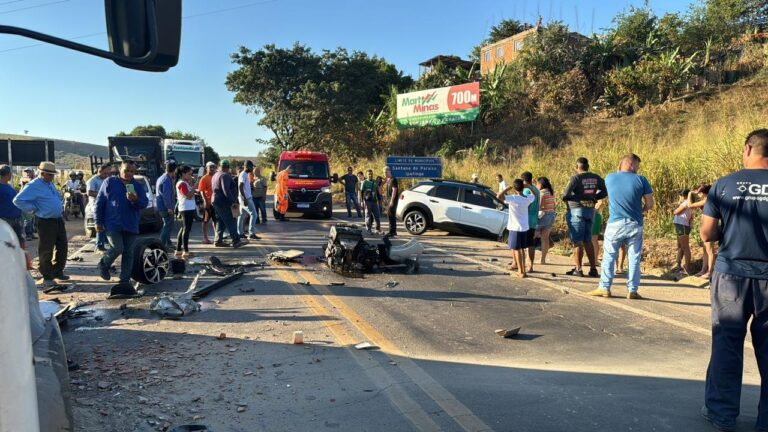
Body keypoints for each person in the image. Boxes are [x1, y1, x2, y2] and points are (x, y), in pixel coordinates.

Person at [700, 129, 768, 432]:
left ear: (748, 148)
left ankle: (722, 414)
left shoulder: (724, 185)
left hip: (731, 275)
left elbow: (707, 233)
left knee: (727, 341)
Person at [589, 153, 653, 299]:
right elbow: (650, 204)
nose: (638, 168)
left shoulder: (610, 178)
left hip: (615, 223)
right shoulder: (641, 180)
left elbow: (600, 196)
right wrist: (640, 211)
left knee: (609, 255)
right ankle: (632, 290)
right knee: (634, 257)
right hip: (635, 223)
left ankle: (604, 287)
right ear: (631, 164)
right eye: (637, 165)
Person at [13, 161, 68, 288]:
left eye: (53, 175)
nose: (52, 177)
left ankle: (57, 271)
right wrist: (33, 209)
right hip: (45, 221)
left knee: (62, 246)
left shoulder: (49, 184)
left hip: (57, 219)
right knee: (46, 249)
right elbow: (18, 200)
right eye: (49, 175)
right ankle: (47, 276)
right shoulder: (34, 185)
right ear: (42, 173)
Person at [95, 161, 148, 288]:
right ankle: (104, 264)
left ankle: (124, 280)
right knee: (117, 248)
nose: (129, 173)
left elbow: (144, 203)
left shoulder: (137, 185)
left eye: (132, 171)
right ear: (120, 170)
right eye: (126, 170)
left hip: (130, 223)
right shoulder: (109, 182)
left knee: (128, 252)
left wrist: (136, 200)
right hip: (113, 223)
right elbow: (100, 202)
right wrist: (98, 221)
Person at [562, 157, 607, 277]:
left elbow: (565, 195)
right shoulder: (596, 178)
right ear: (588, 167)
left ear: (577, 167)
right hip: (590, 211)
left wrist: (578, 197)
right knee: (588, 240)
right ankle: (593, 269)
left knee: (577, 242)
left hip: (576, 210)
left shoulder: (575, 178)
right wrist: (593, 197)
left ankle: (579, 269)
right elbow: (605, 191)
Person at [498, 179, 535, 278]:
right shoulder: (527, 198)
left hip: (515, 227)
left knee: (516, 249)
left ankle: (521, 271)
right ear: (523, 188)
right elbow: (535, 195)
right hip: (524, 227)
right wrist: (529, 187)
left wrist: (507, 188)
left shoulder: (513, 198)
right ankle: (523, 271)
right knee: (522, 249)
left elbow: (499, 196)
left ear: (514, 189)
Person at [212, 160, 246, 248]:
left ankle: (218, 241)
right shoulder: (225, 175)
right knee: (231, 221)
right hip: (224, 202)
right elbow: (226, 190)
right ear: (227, 167)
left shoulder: (216, 174)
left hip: (216, 201)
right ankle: (236, 241)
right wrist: (233, 201)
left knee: (221, 221)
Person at [689, 184, 715, 278]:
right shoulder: (705, 200)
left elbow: (690, 205)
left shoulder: (707, 200)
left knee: (710, 250)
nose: (697, 193)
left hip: (709, 226)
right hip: (704, 225)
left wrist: (689, 194)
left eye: (699, 192)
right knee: (705, 249)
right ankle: (703, 270)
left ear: (703, 193)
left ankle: (710, 271)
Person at [86, 164, 112, 251]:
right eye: (105, 173)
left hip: (106, 205)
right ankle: (99, 245)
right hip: (97, 206)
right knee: (100, 225)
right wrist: (102, 195)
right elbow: (89, 192)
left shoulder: (107, 180)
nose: (107, 175)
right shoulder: (92, 181)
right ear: (99, 171)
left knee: (106, 224)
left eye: (108, 173)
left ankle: (105, 242)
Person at [175, 165, 197, 259]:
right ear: (183, 174)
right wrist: (195, 186)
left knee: (183, 228)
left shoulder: (185, 182)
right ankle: (185, 250)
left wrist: (192, 183)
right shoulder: (182, 183)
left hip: (187, 207)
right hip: (186, 208)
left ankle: (179, 249)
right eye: (189, 174)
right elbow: (188, 195)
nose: (190, 175)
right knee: (186, 229)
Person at [521, 172, 541, 273]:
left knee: (521, 244)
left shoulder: (526, 191)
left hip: (525, 220)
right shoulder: (536, 190)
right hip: (534, 220)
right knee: (531, 244)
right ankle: (531, 266)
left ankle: (522, 265)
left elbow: (524, 204)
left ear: (523, 180)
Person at [0, 165, 24, 248]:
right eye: (11, 173)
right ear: (7, 174)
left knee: (19, 242)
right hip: (6, 221)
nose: (11, 175)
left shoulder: (9, 186)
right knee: (9, 245)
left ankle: (22, 259)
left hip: (16, 219)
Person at [155, 160, 177, 249]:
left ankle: (168, 243)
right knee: (168, 225)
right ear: (174, 169)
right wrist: (169, 207)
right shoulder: (166, 180)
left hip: (161, 206)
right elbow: (166, 195)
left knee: (167, 224)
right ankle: (161, 245)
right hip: (165, 207)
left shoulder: (162, 178)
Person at [672, 189, 693, 274]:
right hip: (681, 225)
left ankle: (687, 268)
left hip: (682, 226)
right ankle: (678, 264)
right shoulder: (687, 203)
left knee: (685, 247)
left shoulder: (685, 203)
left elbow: (676, 212)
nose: (679, 198)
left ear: (683, 196)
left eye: (680, 196)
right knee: (680, 246)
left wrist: (677, 206)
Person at [535, 177, 556, 264]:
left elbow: (540, 206)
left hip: (543, 216)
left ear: (541, 184)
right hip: (551, 215)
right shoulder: (551, 192)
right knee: (545, 238)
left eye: (537, 184)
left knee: (533, 235)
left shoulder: (542, 193)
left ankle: (528, 258)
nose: (536, 186)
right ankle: (543, 260)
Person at [237, 160, 260, 240]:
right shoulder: (243, 174)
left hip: (244, 198)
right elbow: (240, 186)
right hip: (246, 198)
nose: (252, 168)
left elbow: (244, 187)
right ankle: (251, 233)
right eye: (251, 166)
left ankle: (240, 233)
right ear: (247, 166)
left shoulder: (245, 174)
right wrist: (244, 199)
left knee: (241, 216)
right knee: (254, 214)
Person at [197, 162, 217, 245]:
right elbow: (201, 191)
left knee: (216, 220)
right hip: (208, 203)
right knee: (205, 221)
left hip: (215, 203)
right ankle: (205, 238)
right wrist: (205, 201)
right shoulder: (204, 178)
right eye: (210, 167)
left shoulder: (216, 177)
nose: (212, 169)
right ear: (206, 168)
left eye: (213, 167)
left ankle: (217, 237)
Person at [20, 167, 37, 241]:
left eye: (29, 172)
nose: (27, 173)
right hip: (27, 202)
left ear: (32, 172)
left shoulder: (35, 180)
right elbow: (22, 191)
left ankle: (32, 233)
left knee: (32, 219)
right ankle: (28, 235)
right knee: (28, 219)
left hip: (34, 202)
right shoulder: (25, 181)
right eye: (27, 172)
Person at [383, 166, 399, 236]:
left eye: (386, 172)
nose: (385, 174)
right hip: (389, 199)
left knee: (391, 215)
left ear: (389, 171)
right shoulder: (388, 180)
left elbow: (394, 190)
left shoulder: (393, 179)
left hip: (393, 200)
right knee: (390, 215)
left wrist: (392, 201)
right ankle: (393, 231)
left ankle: (392, 231)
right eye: (384, 172)